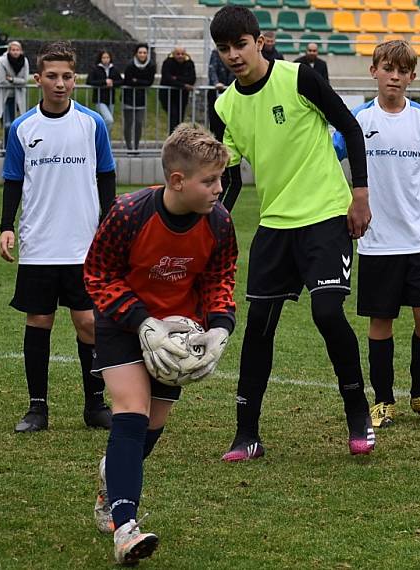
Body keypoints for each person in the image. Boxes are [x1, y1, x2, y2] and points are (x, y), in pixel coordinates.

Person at [209, 6, 376, 461]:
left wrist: (359, 194)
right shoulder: (224, 105)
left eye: (240, 45)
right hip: (275, 224)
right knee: (259, 326)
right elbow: (227, 176)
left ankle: (357, 412)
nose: (233, 55)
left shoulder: (299, 78)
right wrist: (213, 223)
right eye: (224, 49)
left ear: (258, 41)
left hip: (325, 215)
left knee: (326, 312)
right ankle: (247, 435)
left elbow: (350, 127)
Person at [84, 123, 237, 564]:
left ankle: (109, 485)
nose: (218, 189)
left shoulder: (220, 222)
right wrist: (143, 322)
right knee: (130, 415)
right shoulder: (129, 213)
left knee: (151, 427)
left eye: (220, 179)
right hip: (123, 323)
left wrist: (219, 328)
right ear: (177, 181)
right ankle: (125, 527)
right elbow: (98, 273)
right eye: (209, 181)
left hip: (179, 332)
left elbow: (219, 277)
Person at [333, 39, 420, 429]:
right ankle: (383, 401)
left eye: (402, 70)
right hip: (376, 239)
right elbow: (326, 159)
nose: (394, 76)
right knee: (381, 321)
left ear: (412, 77)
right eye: (387, 68)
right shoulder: (357, 120)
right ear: (373, 71)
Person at [0, 41, 115, 433]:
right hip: (40, 243)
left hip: (84, 244)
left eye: (67, 76)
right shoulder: (22, 128)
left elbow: (106, 177)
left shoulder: (92, 124)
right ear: (38, 79)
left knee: (89, 324)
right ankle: (37, 409)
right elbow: (13, 181)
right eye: (52, 76)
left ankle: (95, 406)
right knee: (40, 320)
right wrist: (6, 226)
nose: (60, 83)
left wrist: (110, 226)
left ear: (76, 79)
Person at [0, 40, 30, 148]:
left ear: (21, 51)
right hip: (4, 96)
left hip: (17, 97)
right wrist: (18, 81)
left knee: (14, 124)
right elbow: (1, 80)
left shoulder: (25, 61)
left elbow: (25, 80)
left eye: (17, 50)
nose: (15, 52)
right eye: (13, 50)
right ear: (9, 51)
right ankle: (6, 146)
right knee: (7, 124)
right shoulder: (2, 62)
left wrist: (12, 79)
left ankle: (9, 145)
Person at [122, 43, 156, 152]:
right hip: (128, 98)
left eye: (144, 53)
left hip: (141, 99)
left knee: (138, 123)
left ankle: (136, 146)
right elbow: (128, 81)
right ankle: (129, 146)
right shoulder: (130, 65)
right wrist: (139, 82)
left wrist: (137, 81)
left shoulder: (150, 66)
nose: (142, 55)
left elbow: (149, 82)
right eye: (140, 52)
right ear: (136, 54)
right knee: (128, 123)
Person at [159, 46, 197, 134]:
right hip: (168, 96)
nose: (180, 56)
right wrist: (183, 84)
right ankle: (172, 139)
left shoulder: (189, 63)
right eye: (178, 54)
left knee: (180, 119)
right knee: (173, 117)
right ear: (173, 54)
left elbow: (191, 79)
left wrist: (176, 78)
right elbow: (167, 78)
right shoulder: (168, 62)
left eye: (182, 54)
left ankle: (178, 140)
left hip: (182, 96)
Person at [87, 49, 122, 133]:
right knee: (109, 120)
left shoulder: (114, 69)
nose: (106, 59)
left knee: (108, 123)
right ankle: (100, 135)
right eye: (103, 57)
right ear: (100, 58)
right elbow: (89, 81)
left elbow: (121, 81)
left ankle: (106, 144)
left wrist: (112, 83)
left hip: (111, 100)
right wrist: (104, 82)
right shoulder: (95, 69)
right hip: (99, 99)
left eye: (107, 57)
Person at [207, 49, 235, 126]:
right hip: (216, 91)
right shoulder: (216, 53)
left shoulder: (235, 52)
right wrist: (216, 83)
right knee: (215, 120)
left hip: (231, 91)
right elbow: (212, 69)